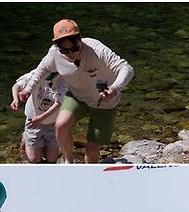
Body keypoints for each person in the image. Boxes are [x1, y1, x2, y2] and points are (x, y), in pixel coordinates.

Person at [18, 19, 134, 163]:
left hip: (104, 101)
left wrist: (114, 88)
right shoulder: (54, 53)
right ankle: (69, 161)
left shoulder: (97, 50)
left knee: (91, 149)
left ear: (79, 40)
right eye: (65, 51)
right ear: (57, 46)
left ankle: (89, 174)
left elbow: (126, 68)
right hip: (77, 96)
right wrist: (28, 90)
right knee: (60, 126)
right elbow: (41, 71)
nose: (70, 54)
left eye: (74, 48)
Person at [10, 70, 67, 163]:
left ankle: (44, 143)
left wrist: (41, 118)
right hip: (34, 121)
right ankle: (26, 137)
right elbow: (16, 86)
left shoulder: (66, 78)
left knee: (52, 159)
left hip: (53, 122)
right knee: (35, 159)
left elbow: (59, 103)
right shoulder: (37, 73)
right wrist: (15, 99)